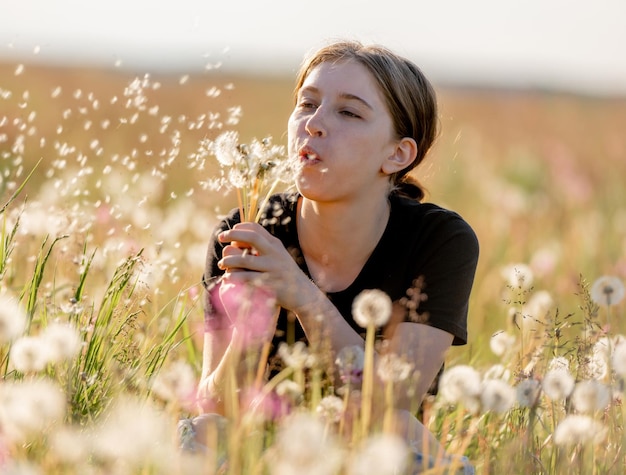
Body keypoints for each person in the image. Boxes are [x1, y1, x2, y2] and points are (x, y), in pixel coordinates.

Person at [190, 39, 479, 473]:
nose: (315, 124)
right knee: (200, 432)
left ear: (397, 154)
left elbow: (392, 403)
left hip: (370, 458)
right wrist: (252, 314)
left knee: (400, 428)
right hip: (261, 453)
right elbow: (213, 407)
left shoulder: (439, 241)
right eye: (307, 104)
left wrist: (302, 295)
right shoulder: (246, 232)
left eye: (349, 112)